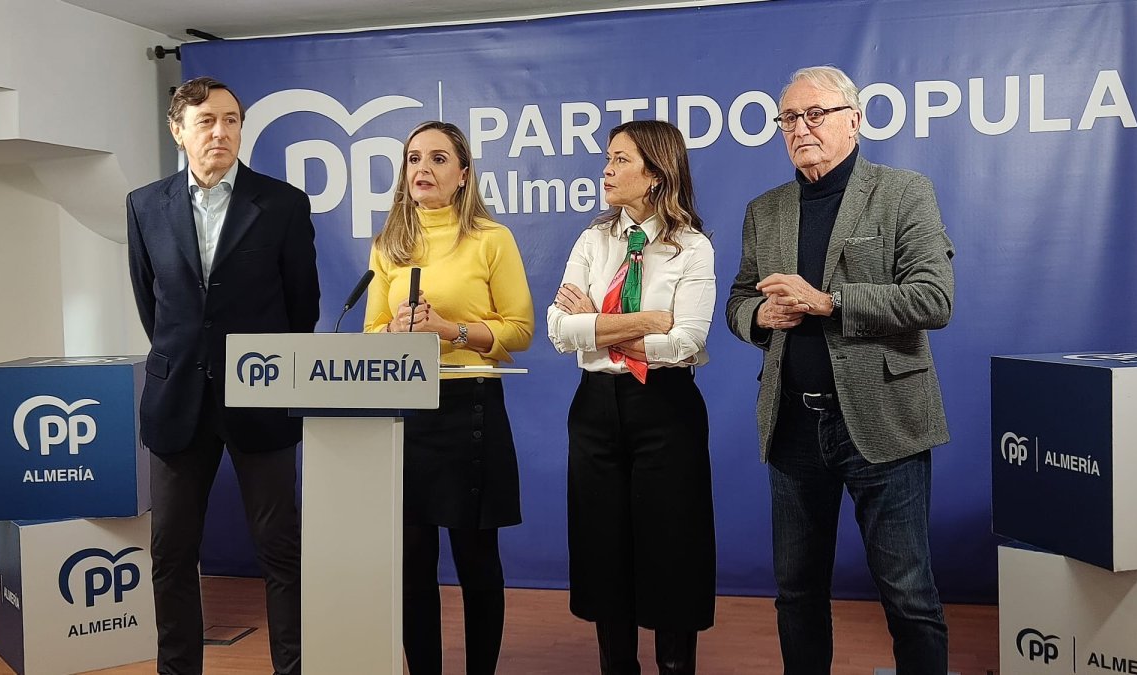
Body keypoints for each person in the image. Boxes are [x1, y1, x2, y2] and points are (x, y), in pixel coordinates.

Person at [726, 65, 954, 674]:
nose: (800, 128)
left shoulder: (904, 191)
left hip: (884, 424)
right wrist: (760, 317)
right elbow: (737, 301)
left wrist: (828, 303)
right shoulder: (764, 210)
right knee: (797, 595)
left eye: (815, 114)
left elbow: (934, 299)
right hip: (794, 428)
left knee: (908, 595)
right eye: (789, 119)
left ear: (855, 119)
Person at [127, 76, 320, 675]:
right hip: (177, 397)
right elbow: (149, 301)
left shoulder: (282, 203)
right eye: (208, 120)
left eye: (232, 120)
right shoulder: (144, 204)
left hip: (261, 396)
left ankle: (292, 668)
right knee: (171, 554)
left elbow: (302, 305)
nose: (222, 131)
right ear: (178, 129)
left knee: (281, 551)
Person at [364, 121, 534, 675]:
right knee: (413, 565)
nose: (423, 170)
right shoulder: (388, 245)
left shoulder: (491, 238)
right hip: (407, 415)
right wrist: (395, 335)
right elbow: (370, 334)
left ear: (463, 175)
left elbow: (519, 330)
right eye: (414, 159)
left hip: (471, 412)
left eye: (438, 159)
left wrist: (449, 330)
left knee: (476, 561)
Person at [547, 119, 716, 675]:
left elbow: (687, 341)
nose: (606, 170)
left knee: (673, 550)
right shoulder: (592, 241)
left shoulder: (693, 247)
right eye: (608, 159)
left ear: (656, 173)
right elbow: (557, 331)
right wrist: (644, 321)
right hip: (595, 409)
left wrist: (594, 323)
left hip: (666, 411)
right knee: (603, 549)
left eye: (620, 160)